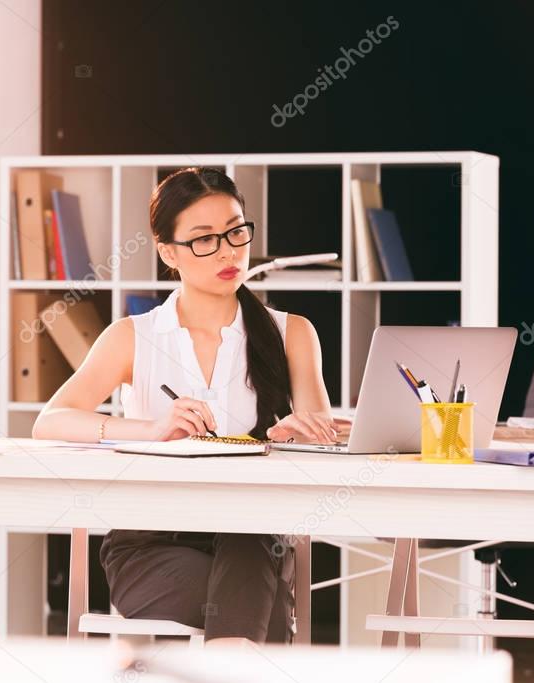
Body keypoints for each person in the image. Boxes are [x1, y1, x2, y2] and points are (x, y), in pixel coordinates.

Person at [31, 167, 343, 645]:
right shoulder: (134, 336)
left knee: (249, 544)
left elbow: (323, 438)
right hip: (150, 546)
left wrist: (299, 438)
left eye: (236, 231)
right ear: (167, 253)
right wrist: (150, 429)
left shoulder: (292, 333)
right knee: (269, 609)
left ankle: (231, 654)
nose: (227, 251)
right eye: (204, 240)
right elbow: (50, 421)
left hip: (250, 536)